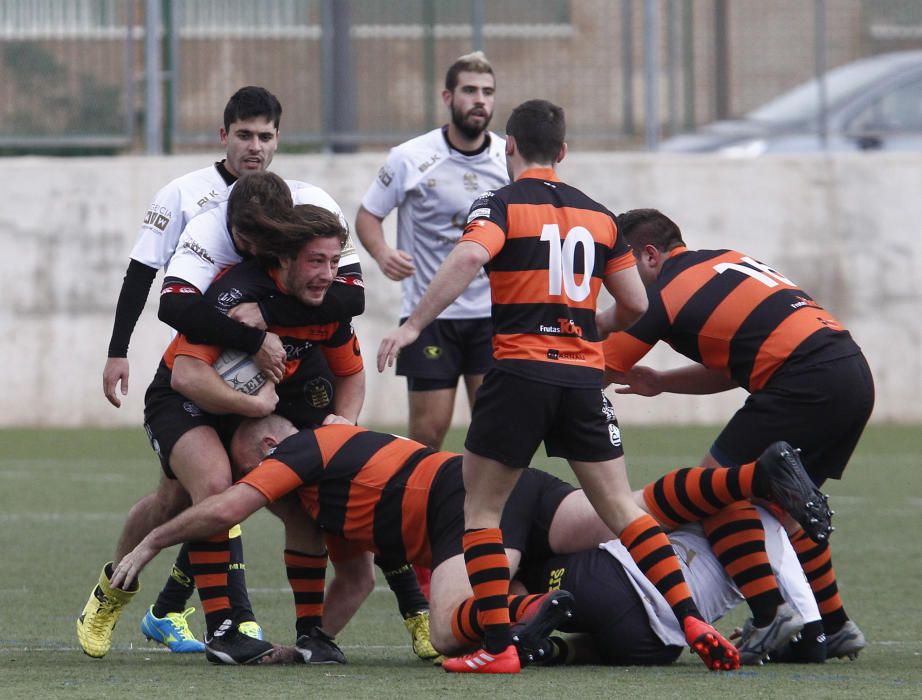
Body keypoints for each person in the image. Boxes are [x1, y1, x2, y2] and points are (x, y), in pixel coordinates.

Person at [376, 99, 741, 674]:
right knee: (622, 508)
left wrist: (415, 323)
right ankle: (690, 617)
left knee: (482, 512)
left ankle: (496, 649)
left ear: (510, 148)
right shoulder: (600, 217)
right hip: (580, 377)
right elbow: (637, 306)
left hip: (519, 372)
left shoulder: (499, 203)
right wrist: (582, 323)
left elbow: (469, 256)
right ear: (564, 151)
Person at [108, 414, 825, 666]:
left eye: (249, 462)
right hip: (518, 490)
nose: (249, 479)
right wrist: (314, 638)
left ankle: (534, 625)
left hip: (465, 505)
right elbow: (352, 579)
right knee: (625, 510)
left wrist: (146, 547)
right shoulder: (318, 495)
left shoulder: (302, 450)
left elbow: (224, 506)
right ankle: (751, 477)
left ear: (267, 443)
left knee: (457, 633)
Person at [77, 200, 355, 664]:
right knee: (208, 487)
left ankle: (313, 634)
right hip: (181, 398)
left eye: (334, 262)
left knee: (301, 498)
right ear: (284, 259)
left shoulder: (322, 300)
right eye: (317, 262)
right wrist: (255, 404)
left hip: (241, 409)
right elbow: (187, 375)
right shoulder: (234, 298)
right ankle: (208, 625)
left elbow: (352, 371)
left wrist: (343, 421)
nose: (329, 274)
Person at [603, 208, 872, 661]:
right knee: (781, 504)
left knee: (714, 490)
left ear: (649, 256)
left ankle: (770, 616)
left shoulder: (663, 292)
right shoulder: (723, 260)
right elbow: (733, 366)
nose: (619, 285)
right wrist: (663, 382)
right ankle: (832, 624)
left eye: (621, 271)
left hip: (804, 377)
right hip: (850, 371)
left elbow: (600, 365)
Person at [355, 51, 507, 450]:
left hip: (492, 314)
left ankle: (487, 513)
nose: (480, 100)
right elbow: (368, 216)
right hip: (429, 315)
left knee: (495, 433)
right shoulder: (410, 158)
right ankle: (417, 511)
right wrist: (382, 252)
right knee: (426, 435)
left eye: (488, 92)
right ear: (447, 97)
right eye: (470, 90)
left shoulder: (507, 158)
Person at [103, 85, 283, 408]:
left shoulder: (283, 200)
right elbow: (141, 272)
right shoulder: (181, 194)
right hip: (197, 356)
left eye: (264, 137)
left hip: (263, 357)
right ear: (224, 136)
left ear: (277, 139)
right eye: (244, 135)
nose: (255, 147)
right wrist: (118, 351)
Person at [516, 505, 819, 667]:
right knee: (607, 646)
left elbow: (640, 516)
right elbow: (810, 636)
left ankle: (504, 623)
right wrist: (763, 635)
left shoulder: (728, 499)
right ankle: (552, 651)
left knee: (525, 564)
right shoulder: (783, 556)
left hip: (611, 579)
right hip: (652, 645)